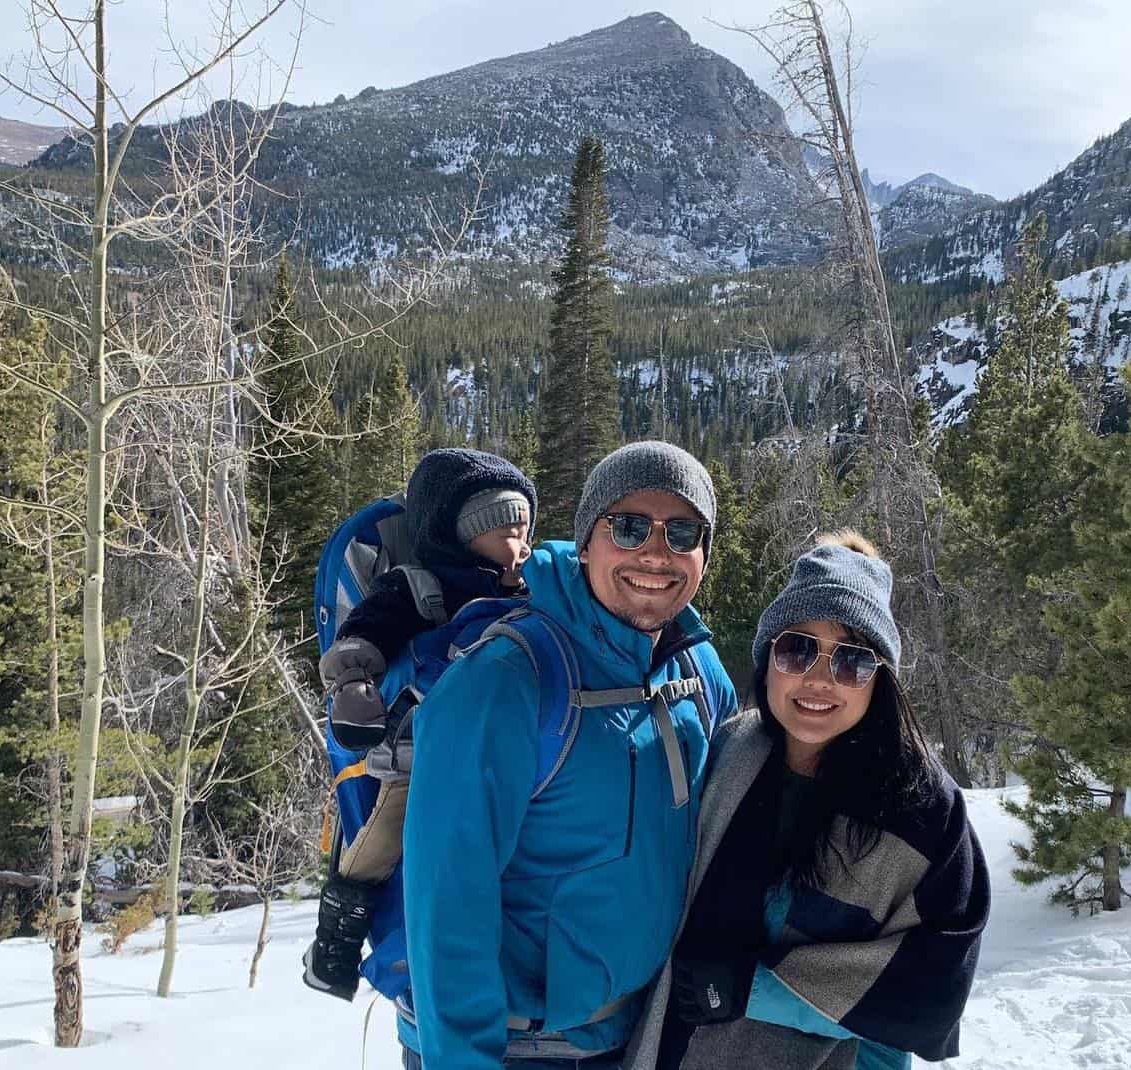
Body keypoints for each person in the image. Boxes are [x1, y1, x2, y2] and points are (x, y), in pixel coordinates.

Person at [401, 441, 740, 1070]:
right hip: (508, 1048)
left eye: (683, 531)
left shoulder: (697, 669)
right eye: (629, 525)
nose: (655, 551)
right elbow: (445, 907)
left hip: (635, 1034)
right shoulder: (505, 681)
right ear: (585, 540)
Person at [628, 531, 990, 1070]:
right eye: (798, 649)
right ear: (768, 658)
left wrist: (753, 988)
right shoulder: (732, 748)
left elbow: (933, 989)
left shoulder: (920, 808)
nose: (819, 680)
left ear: (879, 679)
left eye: (851, 661)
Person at [305, 448, 537, 1002]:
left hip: (511, 749)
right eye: (506, 528)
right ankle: (338, 932)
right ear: (460, 534)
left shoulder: (532, 591)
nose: (522, 545)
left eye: (527, 529)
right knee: (384, 836)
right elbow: (362, 635)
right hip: (420, 753)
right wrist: (355, 683)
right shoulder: (418, 587)